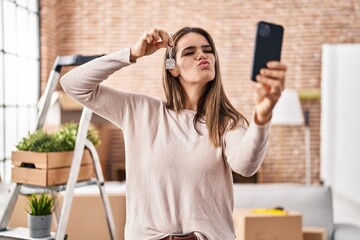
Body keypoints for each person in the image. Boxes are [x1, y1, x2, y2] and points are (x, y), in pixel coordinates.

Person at [60, 27, 286, 240]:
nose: (201, 55)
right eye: (190, 52)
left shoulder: (227, 123)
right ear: (173, 68)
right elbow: (73, 84)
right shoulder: (141, 111)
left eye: (207, 50)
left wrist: (262, 116)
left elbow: (245, 166)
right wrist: (132, 53)